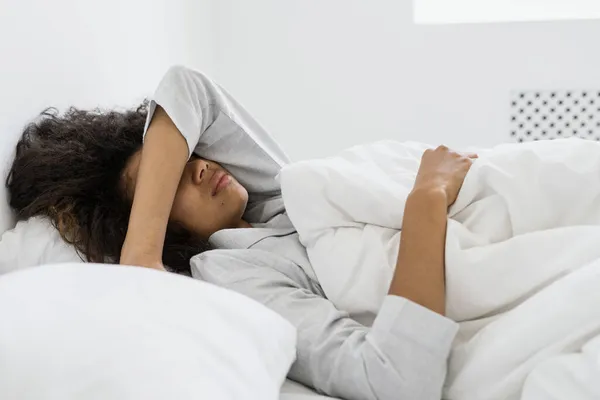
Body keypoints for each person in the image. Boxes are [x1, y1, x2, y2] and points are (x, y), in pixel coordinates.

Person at [8, 65, 476, 400]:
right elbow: (392, 379)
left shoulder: (270, 194)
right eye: (168, 185)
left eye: (183, 159)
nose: (201, 167)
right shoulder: (231, 271)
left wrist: (141, 247)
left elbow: (188, 88)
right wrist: (427, 198)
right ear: (159, 225)